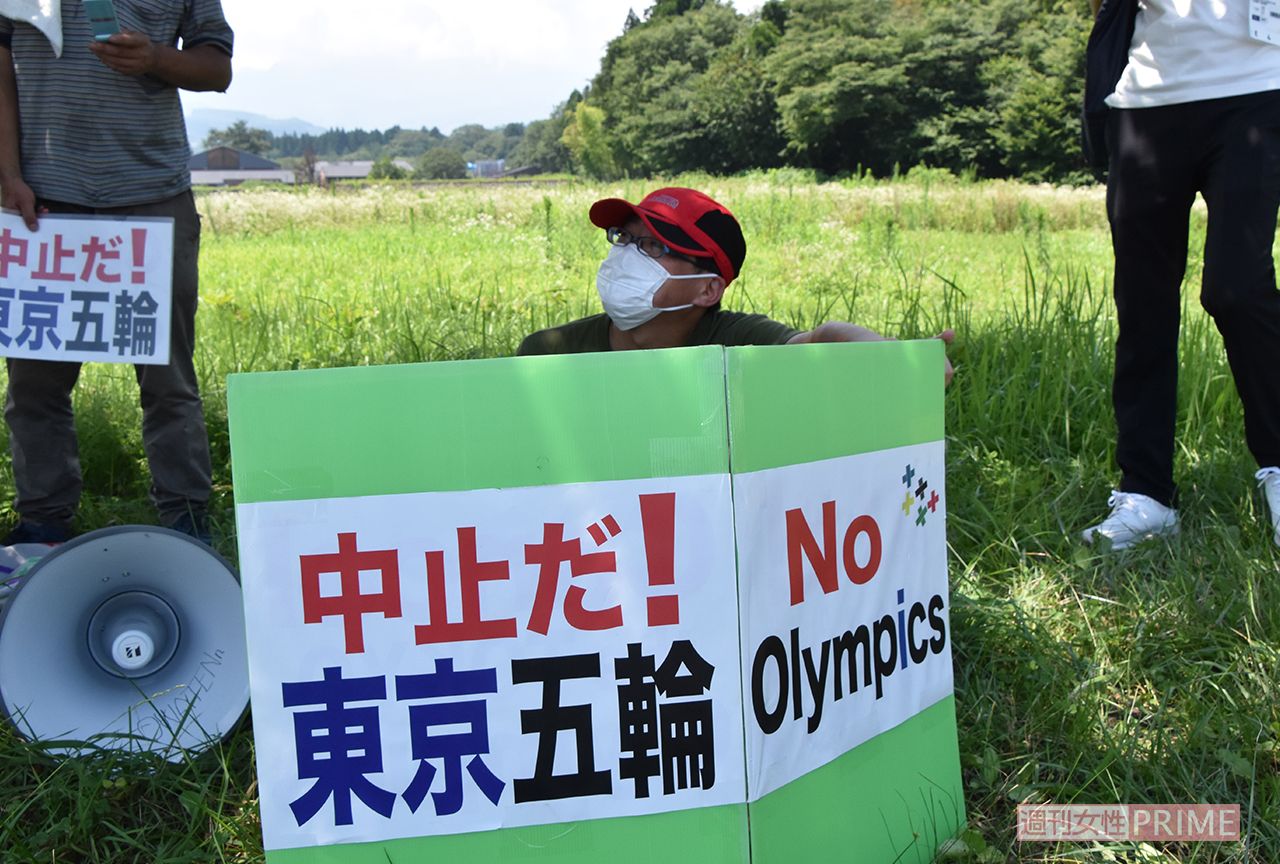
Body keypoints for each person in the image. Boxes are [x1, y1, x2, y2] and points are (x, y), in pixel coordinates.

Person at [0, 2, 234, 545]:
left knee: (168, 376)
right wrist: (7, 173)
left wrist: (155, 57)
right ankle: (42, 521)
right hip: (46, 198)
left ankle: (187, 519)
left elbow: (216, 68)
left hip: (154, 197)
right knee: (34, 379)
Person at [1081, 0, 1280, 550]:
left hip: (1259, 89)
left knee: (1236, 288)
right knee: (1142, 303)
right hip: (1147, 97)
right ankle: (1146, 494)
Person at [518, 186, 954, 378]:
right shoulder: (547, 354)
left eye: (653, 247)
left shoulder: (738, 345)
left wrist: (902, 365)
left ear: (708, 289)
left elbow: (818, 344)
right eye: (625, 238)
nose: (626, 255)